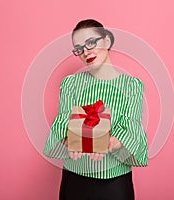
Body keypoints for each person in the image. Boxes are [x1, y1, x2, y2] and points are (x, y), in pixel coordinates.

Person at [43, 19, 148, 200]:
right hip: (75, 179)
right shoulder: (70, 83)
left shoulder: (131, 85)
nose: (86, 52)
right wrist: (69, 141)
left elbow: (132, 128)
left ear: (107, 41)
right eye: (79, 48)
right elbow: (63, 123)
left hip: (114, 183)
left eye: (91, 42)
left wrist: (110, 142)